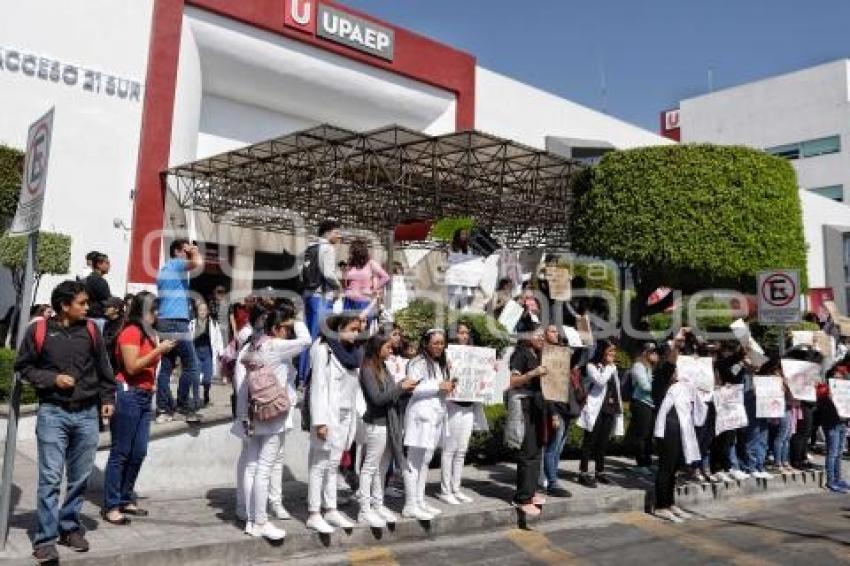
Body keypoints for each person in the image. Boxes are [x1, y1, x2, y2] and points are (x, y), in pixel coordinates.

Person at [15, 280, 116, 562]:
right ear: (64, 306)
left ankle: (69, 526)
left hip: (86, 414)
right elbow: (23, 367)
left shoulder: (92, 330)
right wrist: (52, 379)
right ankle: (45, 539)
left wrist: (108, 400)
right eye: (82, 303)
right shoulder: (39, 330)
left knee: (79, 477)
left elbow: (104, 369)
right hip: (53, 413)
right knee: (50, 479)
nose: (87, 308)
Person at [233, 308, 311, 540]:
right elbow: (306, 340)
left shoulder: (251, 346)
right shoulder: (276, 346)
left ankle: (250, 520)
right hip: (273, 415)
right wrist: (297, 320)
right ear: (276, 329)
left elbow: (243, 383)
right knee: (264, 468)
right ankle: (261, 521)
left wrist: (242, 416)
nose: (287, 333)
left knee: (252, 466)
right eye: (285, 329)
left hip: (253, 413)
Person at [102, 292, 175, 525]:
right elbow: (131, 367)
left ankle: (125, 498)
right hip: (128, 394)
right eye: (154, 310)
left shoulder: (148, 333)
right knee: (121, 452)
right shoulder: (131, 332)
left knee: (138, 451)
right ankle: (111, 505)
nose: (158, 315)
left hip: (143, 395)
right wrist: (158, 351)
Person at [305, 314, 363, 534]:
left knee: (333, 464)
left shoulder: (352, 354)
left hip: (345, 416)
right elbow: (318, 387)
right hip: (327, 416)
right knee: (319, 465)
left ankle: (330, 508)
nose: (356, 334)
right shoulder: (323, 350)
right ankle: (314, 513)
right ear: (338, 329)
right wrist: (320, 422)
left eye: (358, 329)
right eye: (352, 329)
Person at [358, 333, 417, 527]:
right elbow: (377, 399)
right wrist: (401, 387)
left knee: (381, 468)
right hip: (376, 423)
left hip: (389, 424)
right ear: (377, 348)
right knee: (370, 468)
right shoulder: (367, 368)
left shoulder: (381, 366)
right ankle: (364, 510)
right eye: (388, 347)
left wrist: (404, 388)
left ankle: (378, 504)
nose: (391, 351)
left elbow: (389, 394)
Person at [402, 329, 455, 521]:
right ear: (426, 343)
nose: (439, 346)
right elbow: (411, 388)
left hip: (436, 417)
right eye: (435, 343)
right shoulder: (417, 362)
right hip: (420, 417)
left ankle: (419, 500)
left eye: (442, 343)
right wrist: (438, 387)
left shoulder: (439, 364)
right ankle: (410, 504)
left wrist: (448, 385)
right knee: (413, 461)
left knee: (425, 459)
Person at [155, 239, 203, 424]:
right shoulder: (176, 264)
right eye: (184, 250)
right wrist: (195, 251)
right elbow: (197, 263)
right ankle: (183, 404)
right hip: (177, 322)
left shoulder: (164, 269)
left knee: (166, 368)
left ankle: (163, 409)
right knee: (192, 366)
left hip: (165, 322)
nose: (187, 252)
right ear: (176, 252)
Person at [440, 321, 489, 504]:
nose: (464, 336)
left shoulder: (474, 354)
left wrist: (489, 372)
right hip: (453, 404)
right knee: (450, 449)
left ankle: (456, 487)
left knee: (461, 450)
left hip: (469, 405)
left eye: (466, 333)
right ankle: (445, 490)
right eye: (460, 332)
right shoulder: (447, 355)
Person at [653, 370, 708, 522]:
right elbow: (664, 410)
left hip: (680, 432)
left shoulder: (691, 389)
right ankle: (660, 506)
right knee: (666, 468)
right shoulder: (676, 387)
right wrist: (659, 433)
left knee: (673, 470)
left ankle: (670, 503)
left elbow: (700, 415)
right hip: (669, 430)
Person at [508, 325, 547, 516]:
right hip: (524, 405)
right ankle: (521, 498)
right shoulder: (520, 354)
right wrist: (533, 374)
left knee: (537, 450)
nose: (542, 338)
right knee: (527, 451)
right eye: (538, 334)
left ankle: (531, 492)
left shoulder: (539, 354)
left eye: (543, 335)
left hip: (538, 405)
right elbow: (513, 382)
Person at [299, 220, 343, 381]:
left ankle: (302, 373)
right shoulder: (328, 248)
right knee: (318, 336)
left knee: (308, 334)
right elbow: (328, 273)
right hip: (322, 296)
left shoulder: (310, 247)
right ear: (328, 232)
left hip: (309, 294)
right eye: (336, 232)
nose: (339, 235)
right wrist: (339, 286)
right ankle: (310, 375)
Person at [577, 339, 624, 487]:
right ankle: (583, 473)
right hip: (595, 409)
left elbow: (616, 387)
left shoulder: (613, 368)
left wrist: (619, 407)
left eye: (614, 351)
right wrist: (610, 367)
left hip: (609, 409)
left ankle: (600, 471)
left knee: (603, 442)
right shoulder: (592, 366)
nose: (613, 354)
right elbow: (600, 381)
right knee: (589, 441)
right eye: (610, 351)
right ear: (602, 352)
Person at [539, 324, 573, 497]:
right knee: (552, 447)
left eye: (556, 331)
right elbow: (547, 388)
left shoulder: (563, 352)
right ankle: (552, 481)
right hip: (555, 407)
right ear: (544, 335)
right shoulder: (544, 355)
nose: (556, 334)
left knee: (558, 448)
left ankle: (552, 477)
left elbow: (582, 358)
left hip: (566, 408)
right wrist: (552, 412)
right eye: (552, 331)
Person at [626, 342, 659, 475]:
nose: (655, 355)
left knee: (649, 435)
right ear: (645, 353)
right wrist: (659, 387)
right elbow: (645, 386)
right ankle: (640, 463)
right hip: (640, 403)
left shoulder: (650, 367)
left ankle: (648, 461)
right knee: (642, 434)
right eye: (652, 352)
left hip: (650, 404)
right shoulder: (638, 366)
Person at [343, 238, 390, 327]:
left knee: (363, 328)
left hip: (363, 302)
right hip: (348, 301)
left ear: (358, 252)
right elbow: (347, 281)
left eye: (352, 251)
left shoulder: (371, 263)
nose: (350, 254)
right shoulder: (351, 264)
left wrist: (374, 288)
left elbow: (385, 277)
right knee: (347, 327)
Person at [820, 365, 849, 492]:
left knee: (839, 453)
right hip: (831, 423)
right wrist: (830, 396)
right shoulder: (825, 390)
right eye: (837, 374)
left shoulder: (844, 388)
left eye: (842, 375)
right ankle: (830, 481)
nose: (840, 376)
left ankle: (838, 478)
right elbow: (821, 403)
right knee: (832, 453)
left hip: (842, 423)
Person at [191, 300, 225, 408]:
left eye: (204, 310)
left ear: (208, 311)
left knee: (207, 379)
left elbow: (219, 339)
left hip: (208, 354)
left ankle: (206, 394)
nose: (202, 312)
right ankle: (196, 398)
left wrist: (221, 352)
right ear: (197, 311)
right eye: (200, 310)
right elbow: (188, 339)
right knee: (195, 377)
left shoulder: (213, 324)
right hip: (196, 352)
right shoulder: (192, 324)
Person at [84, 252, 113, 333]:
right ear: (99, 264)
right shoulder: (99, 281)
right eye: (107, 263)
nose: (109, 266)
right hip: (97, 319)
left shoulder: (89, 279)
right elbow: (107, 300)